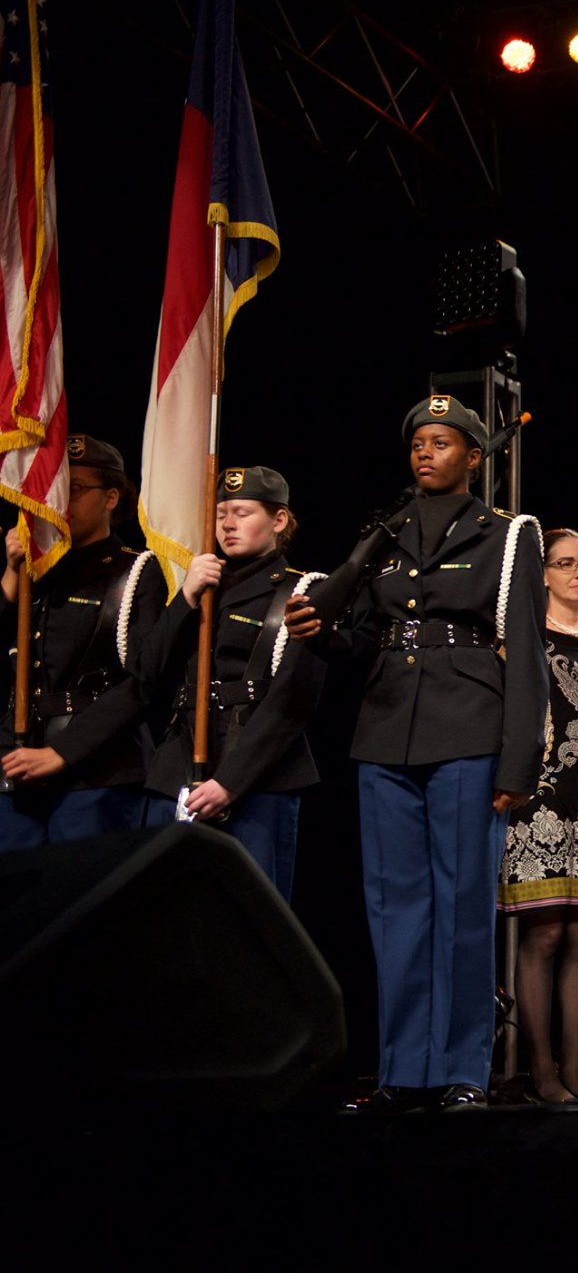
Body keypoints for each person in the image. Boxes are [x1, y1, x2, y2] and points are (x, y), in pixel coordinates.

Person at [297, 395, 547, 1114]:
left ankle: (464, 1067)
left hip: (468, 728)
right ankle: (401, 1069)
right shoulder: (387, 531)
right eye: (418, 443)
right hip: (386, 731)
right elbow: (365, 639)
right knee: (393, 908)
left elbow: (527, 655)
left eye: (442, 442)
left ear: (473, 455)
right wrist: (322, 635)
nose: (426, 453)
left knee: (463, 907)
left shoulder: (507, 534)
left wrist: (519, 761)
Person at [133, 466, 324, 897]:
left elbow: (292, 702)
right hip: (178, 766)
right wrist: (186, 597)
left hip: (257, 774)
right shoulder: (200, 586)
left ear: (278, 520)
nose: (227, 524)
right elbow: (146, 672)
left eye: (242, 512)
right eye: (220, 514)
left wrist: (230, 782)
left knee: (249, 907)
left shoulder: (301, 592)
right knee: (165, 909)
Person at [498, 528, 578, 1104]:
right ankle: (542, 1072)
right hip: (536, 797)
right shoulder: (521, 636)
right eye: (565, 563)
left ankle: (575, 1070)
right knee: (545, 932)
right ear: (542, 572)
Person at [0, 436, 164, 851]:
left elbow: (143, 681)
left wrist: (63, 752)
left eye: (74, 489)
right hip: (15, 760)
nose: (60, 501)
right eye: (55, 489)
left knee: (85, 888)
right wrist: (12, 574)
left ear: (111, 498)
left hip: (97, 771)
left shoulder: (136, 572)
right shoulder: (34, 568)